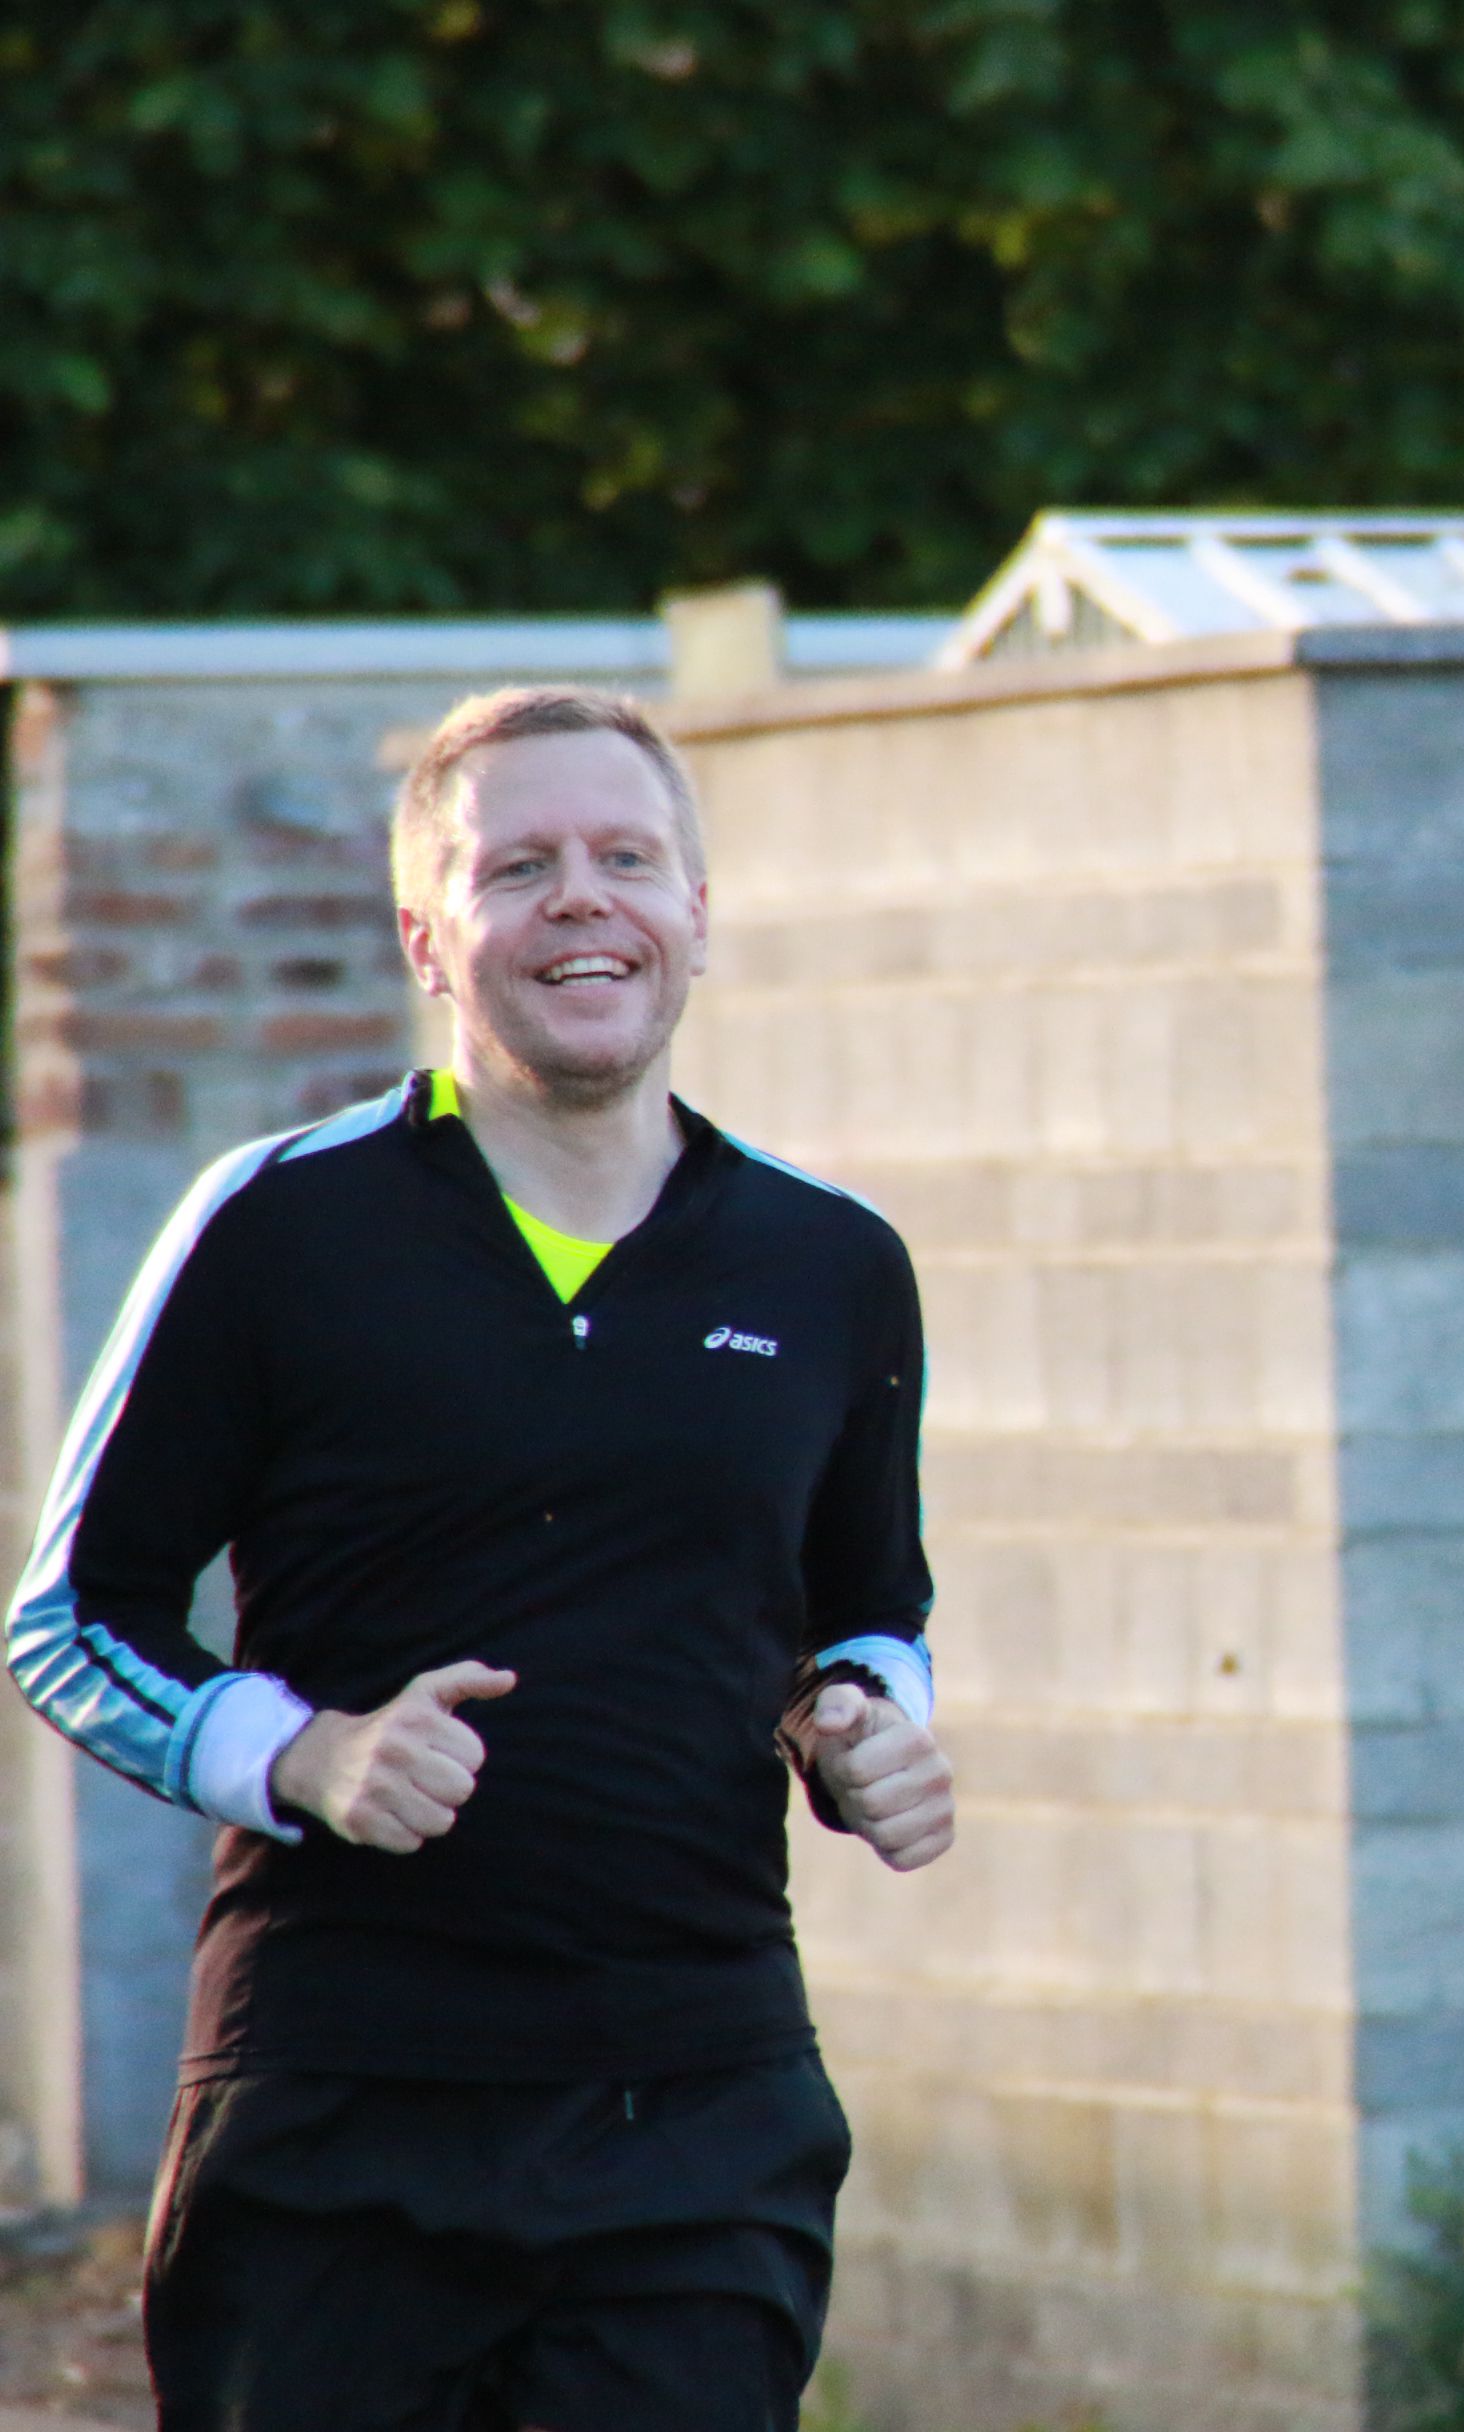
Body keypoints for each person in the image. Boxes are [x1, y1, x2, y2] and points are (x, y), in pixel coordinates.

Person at [7, 685, 954, 2432]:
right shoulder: (276, 1226)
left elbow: (867, 1607)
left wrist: (867, 1723)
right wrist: (305, 1754)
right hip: (339, 2104)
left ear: (695, 915)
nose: (583, 897)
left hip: (699, 2107)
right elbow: (69, 1621)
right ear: (426, 938)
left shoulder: (832, 1263)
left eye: (627, 859)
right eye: (519, 867)